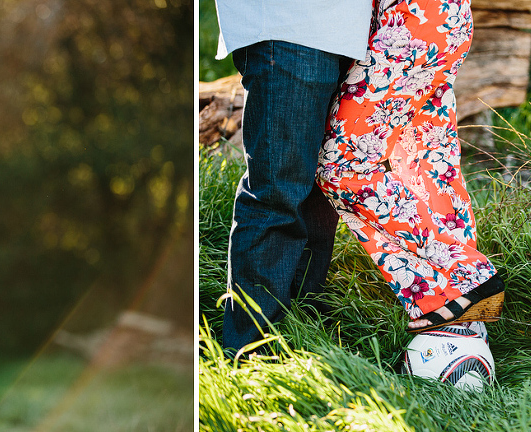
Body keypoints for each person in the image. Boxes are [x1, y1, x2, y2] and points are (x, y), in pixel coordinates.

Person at [317, 0, 505, 340]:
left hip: (411, 23)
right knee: (429, 161)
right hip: (441, 18)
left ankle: (465, 276)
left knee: (340, 164)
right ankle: (459, 311)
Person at [214, 0, 373, 356]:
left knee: (319, 190)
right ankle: (250, 352)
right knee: (278, 191)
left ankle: (299, 335)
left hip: (345, 33)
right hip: (290, 25)